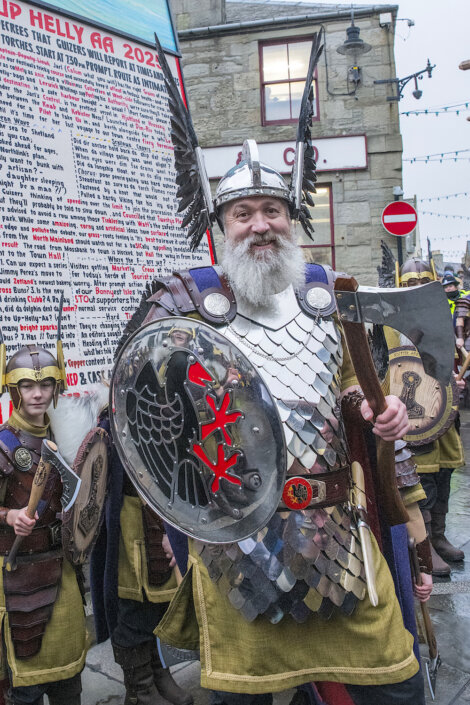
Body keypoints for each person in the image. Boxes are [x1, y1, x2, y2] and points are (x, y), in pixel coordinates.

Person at [111, 141, 437, 705]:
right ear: (220, 225)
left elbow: (356, 382)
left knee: (396, 684)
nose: (260, 226)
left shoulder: (329, 292)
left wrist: (375, 410)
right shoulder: (182, 302)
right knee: (244, 696)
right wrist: (172, 519)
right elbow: (140, 422)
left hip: (341, 535)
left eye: (272, 211)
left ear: (291, 218)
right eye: (243, 214)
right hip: (236, 549)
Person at [89, 295, 194, 705]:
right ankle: (139, 687)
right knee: (133, 605)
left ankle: (156, 670)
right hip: (129, 521)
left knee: (161, 607)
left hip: (165, 515)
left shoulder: (177, 394)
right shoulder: (112, 415)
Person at [0, 343, 86, 705]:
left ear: (57, 386)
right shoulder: (4, 445)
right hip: (19, 577)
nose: (37, 394)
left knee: (69, 678)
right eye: (28, 386)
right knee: (27, 686)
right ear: (13, 389)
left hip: (63, 569)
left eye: (46, 384)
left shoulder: (66, 435)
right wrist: (8, 515)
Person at [396, 258, 465, 576]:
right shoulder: (389, 324)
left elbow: (446, 364)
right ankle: (423, 546)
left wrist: (456, 381)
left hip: (442, 414)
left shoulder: (442, 317)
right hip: (412, 417)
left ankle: (438, 537)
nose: (416, 289)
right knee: (420, 482)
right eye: (409, 283)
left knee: (444, 476)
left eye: (423, 281)